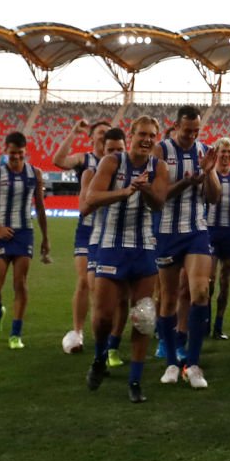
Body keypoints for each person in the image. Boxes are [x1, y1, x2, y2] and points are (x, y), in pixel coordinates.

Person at [83, 116, 168, 403]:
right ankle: (99, 358)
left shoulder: (160, 168)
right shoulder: (112, 163)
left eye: (152, 135)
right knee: (104, 315)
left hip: (143, 247)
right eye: (142, 134)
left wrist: (145, 190)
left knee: (144, 318)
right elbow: (91, 199)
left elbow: (159, 203)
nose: (146, 139)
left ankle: (135, 380)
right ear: (131, 135)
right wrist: (126, 190)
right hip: (111, 245)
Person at [154, 106, 220, 389]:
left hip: (196, 230)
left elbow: (214, 197)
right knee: (168, 299)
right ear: (176, 126)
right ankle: (171, 361)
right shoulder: (161, 152)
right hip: (167, 231)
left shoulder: (203, 151)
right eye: (187, 130)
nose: (192, 136)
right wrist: (187, 182)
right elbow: (158, 196)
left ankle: (193, 364)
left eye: (196, 131)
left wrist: (209, 173)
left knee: (200, 292)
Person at [0, 131, 50, 351]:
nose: (16, 157)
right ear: (5, 151)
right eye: (12, 154)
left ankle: (15, 334)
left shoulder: (34, 174)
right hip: (1, 235)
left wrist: (46, 238)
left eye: (19, 153)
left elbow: (39, 206)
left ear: (25, 152)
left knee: (20, 284)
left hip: (24, 233)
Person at [54, 119, 111, 354]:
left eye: (107, 133)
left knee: (105, 286)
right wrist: (73, 133)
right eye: (99, 133)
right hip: (87, 228)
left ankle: (106, 333)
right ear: (92, 137)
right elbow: (58, 161)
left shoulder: (118, 160)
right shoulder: (84, 159)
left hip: (110, 228)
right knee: (84, 281)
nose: (103, 136)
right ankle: (77, 332)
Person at [77, 128, 130, 367]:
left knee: (123, 298)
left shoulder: (135, 172)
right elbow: (84, 208)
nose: (116, 154)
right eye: (111, 150)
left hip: (127, 240)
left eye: (120, 150)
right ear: (102, 151)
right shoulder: (91, 174)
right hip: (99, 240)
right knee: (99, 296)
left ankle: (114, 347)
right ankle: (101, 347)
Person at [205, 137, 230, 340]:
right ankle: (205, 322)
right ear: (217, 153)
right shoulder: (209, 174)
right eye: (223, 152)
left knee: (225, 281)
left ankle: (218, 326)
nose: (226, 155)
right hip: (210, 231)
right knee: (208, 281)